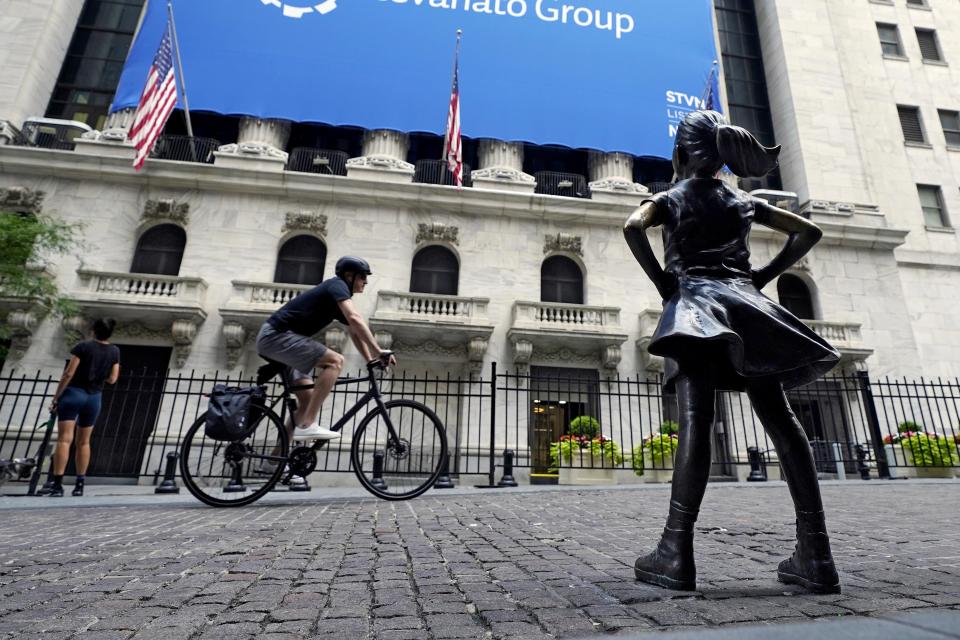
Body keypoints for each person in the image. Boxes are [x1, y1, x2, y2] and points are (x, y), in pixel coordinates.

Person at [623, 110, 842, 594]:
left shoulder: (671, 197)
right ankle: (818, 553)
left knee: (696, 422)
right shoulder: (743, 200)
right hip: (747, 310)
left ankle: (675, 552)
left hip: (696, 312)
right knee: (782, 420)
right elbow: (809, 233)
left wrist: (665, 284)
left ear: (680, 154)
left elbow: (633, 226)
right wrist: (760, 279)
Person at [256, 255, 395, 443]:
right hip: (276, 336)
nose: (366, 281)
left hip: (280, 340)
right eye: (362, 276)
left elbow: (354, 331)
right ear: (349, 275)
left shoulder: (337, 297)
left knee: (307, 400)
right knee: (335, 361)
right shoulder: (336, 285)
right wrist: (379, 350)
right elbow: (355, 318)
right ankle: (308, 426)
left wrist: (370, 359)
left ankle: (274, 464)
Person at [48, 318, 121, 497]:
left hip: (74, 393)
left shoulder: (83, 346)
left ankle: (57, 485)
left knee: (64, 439)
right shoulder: (114, 351)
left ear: (93, 330)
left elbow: (69, 373)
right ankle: (80, 484)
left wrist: (56, 397)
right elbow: (113, 379)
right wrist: (98, 377)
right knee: (84, 442)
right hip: (94, 397)